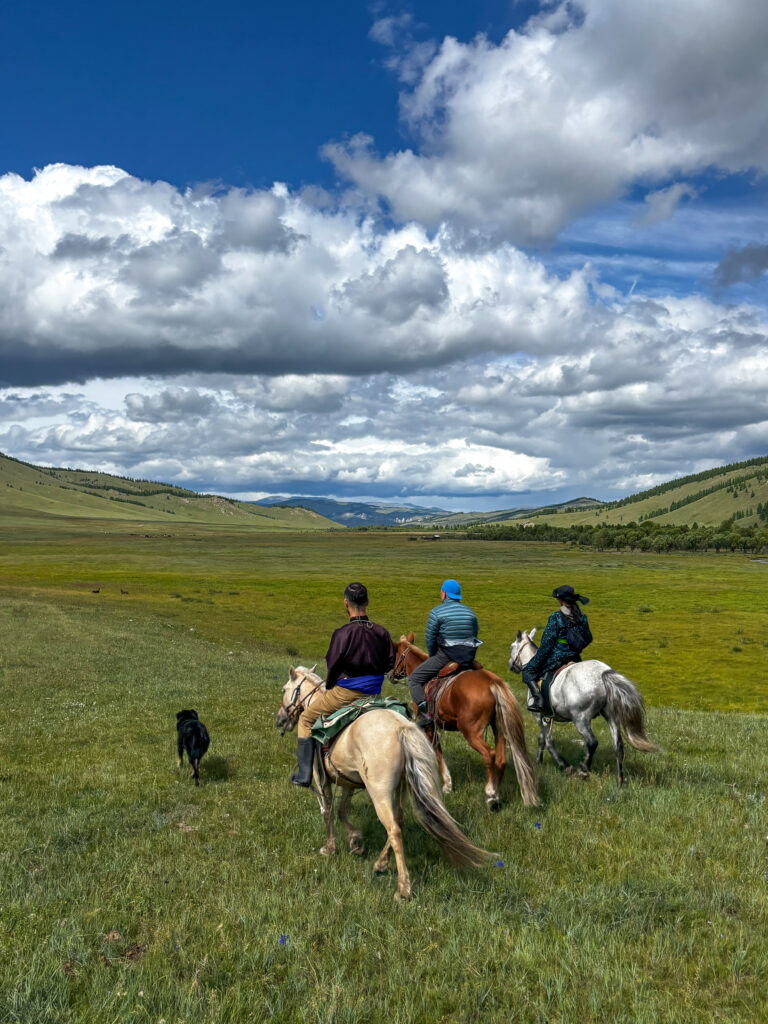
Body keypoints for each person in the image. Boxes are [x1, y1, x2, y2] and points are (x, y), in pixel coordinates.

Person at [291, 582, 395, 787]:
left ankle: (304, 775)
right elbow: (389, 663)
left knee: (304, 718)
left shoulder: (342, 634)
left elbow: (333, 665)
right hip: (374, 693)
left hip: (345, 693)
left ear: (346, 604)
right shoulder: (382, 632)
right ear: (367, 602)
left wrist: (330, 686)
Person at [406, 579, 480, 728]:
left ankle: (426, 715)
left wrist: (433, 656)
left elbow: (430, 638)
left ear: (444, 594)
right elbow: (474, 633)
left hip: (447, 655)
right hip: (469, 655)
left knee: (414, 679)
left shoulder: (437, 612)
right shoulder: (470, 612)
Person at [522, 584, 592, 713]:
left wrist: (538, 658)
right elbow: (588, 639)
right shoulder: (582, 617)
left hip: (557, 658)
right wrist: (575, 649)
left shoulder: (556, 617)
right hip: (576, 657)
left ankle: (538, 700)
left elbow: (547, 644)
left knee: (528, 670)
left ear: (561, 600)